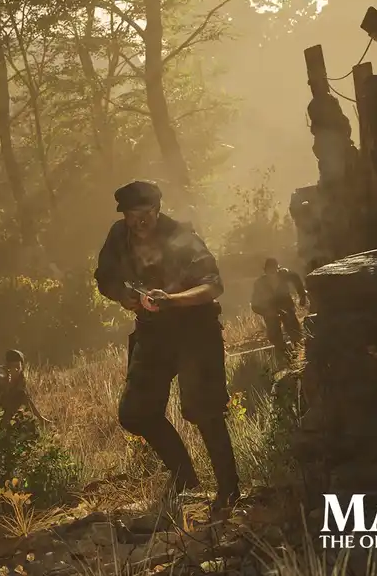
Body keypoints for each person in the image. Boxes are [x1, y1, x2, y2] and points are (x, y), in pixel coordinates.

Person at [93, 180, 240, 514]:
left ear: (158, 210)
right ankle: (185, 478)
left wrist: (172, 300)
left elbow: (213, 285)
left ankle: (229, 492)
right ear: (124, 215)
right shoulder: (118, 236)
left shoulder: (182, 237)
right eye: (133, 215)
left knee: (203, 409)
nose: (140, 221)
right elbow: (104, 278)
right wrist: (124, 296)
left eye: (146, 213)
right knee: (136, 413)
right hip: (152, 333)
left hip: (195, 331)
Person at [250, 257, 308, 361]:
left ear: (278, 268)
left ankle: (299, 352)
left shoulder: (285, 274)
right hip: (270, 307)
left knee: (294, 330)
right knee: (274, 334)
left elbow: (296, 279)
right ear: (265, 270)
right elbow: (254, 304)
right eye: (269, 269)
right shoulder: (260, 283)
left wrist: (302, 295)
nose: (272, 272)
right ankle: (286, 355)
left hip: (285, 303)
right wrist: (266, 312)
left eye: (274, 268)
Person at [0, 350, 51, 426]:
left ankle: (40, 419)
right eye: (13, 366)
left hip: (10, 404)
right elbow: (0, 381)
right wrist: (8, 379)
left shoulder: (20, 377)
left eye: (18, 367)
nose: (16, 369)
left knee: (22, 396)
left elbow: (23, 395)